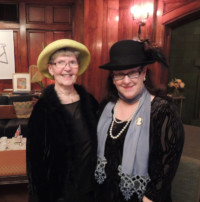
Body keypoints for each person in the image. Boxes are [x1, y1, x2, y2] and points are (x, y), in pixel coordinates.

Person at [95, 40, 185, 202]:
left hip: (143, 197)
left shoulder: (162, 110)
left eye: (133, 72)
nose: (126, 80)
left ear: (144, 73)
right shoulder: (106, 108)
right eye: (119, 74)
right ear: (113, 78)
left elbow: (165, 168)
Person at [26, 39, 98, 202]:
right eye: (61, 63)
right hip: (59, 194)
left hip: (90, 188)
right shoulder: (42, 109)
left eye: (72, 62)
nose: (67, 68)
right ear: (51, 69)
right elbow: (34, 161)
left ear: (78, 67)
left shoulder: (91, 102)